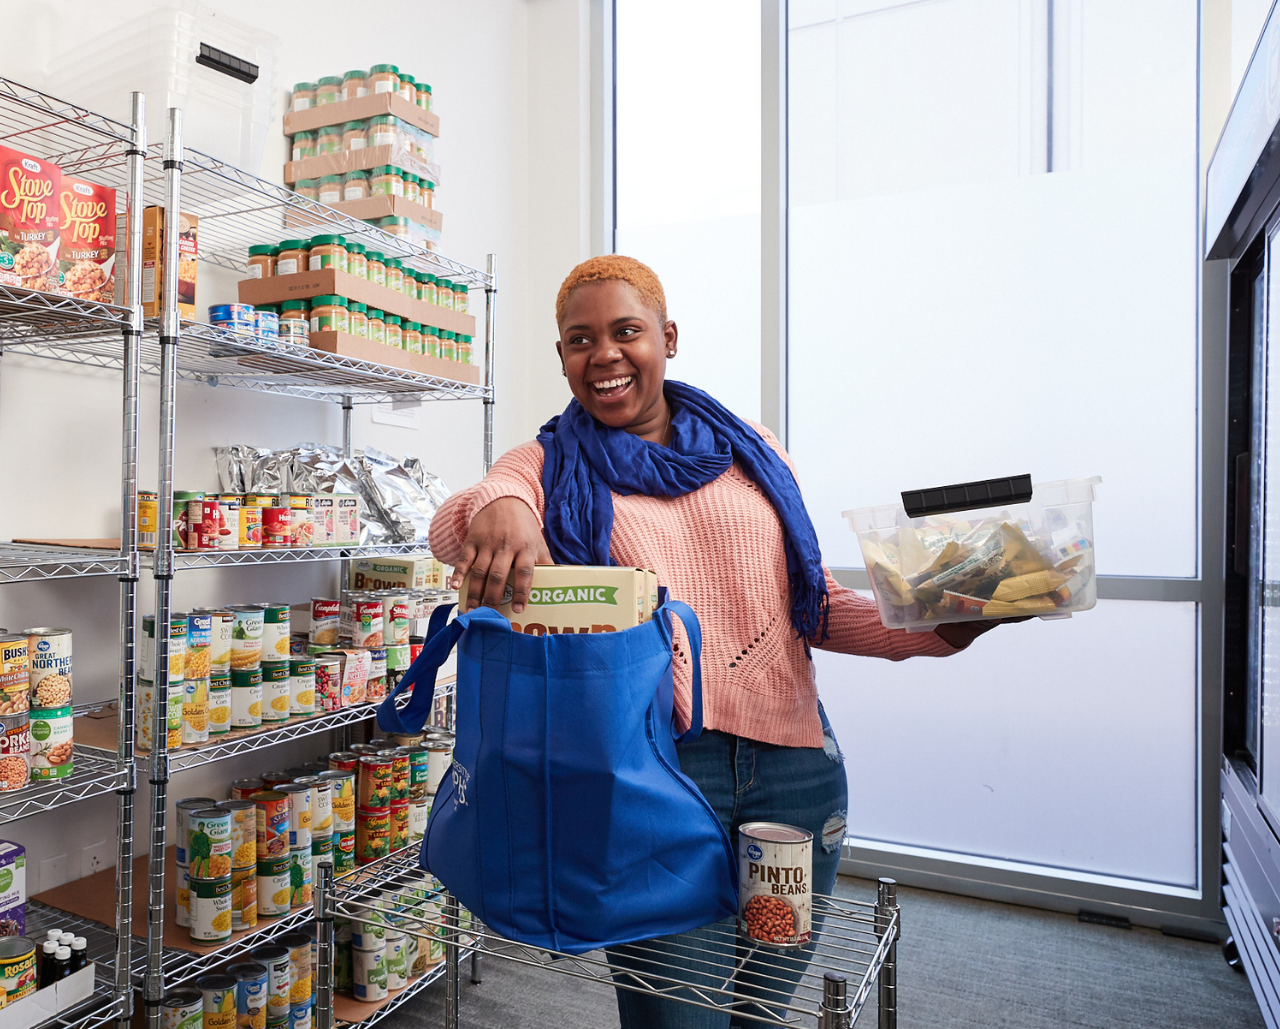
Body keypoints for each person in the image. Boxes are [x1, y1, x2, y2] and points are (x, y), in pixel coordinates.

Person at [428, 255, 1007, 1029]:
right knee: (676, 1017)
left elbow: (817, 610)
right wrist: (505, 500)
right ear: (563, 356)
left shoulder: (751, 451)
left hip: (794, 776)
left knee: (762, 1008)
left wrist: (942, 627)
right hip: (653, 782)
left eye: (626, 331)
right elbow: (451, 526)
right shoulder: (547, 459)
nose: (603, 354)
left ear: (667, 337)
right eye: (579, 339)